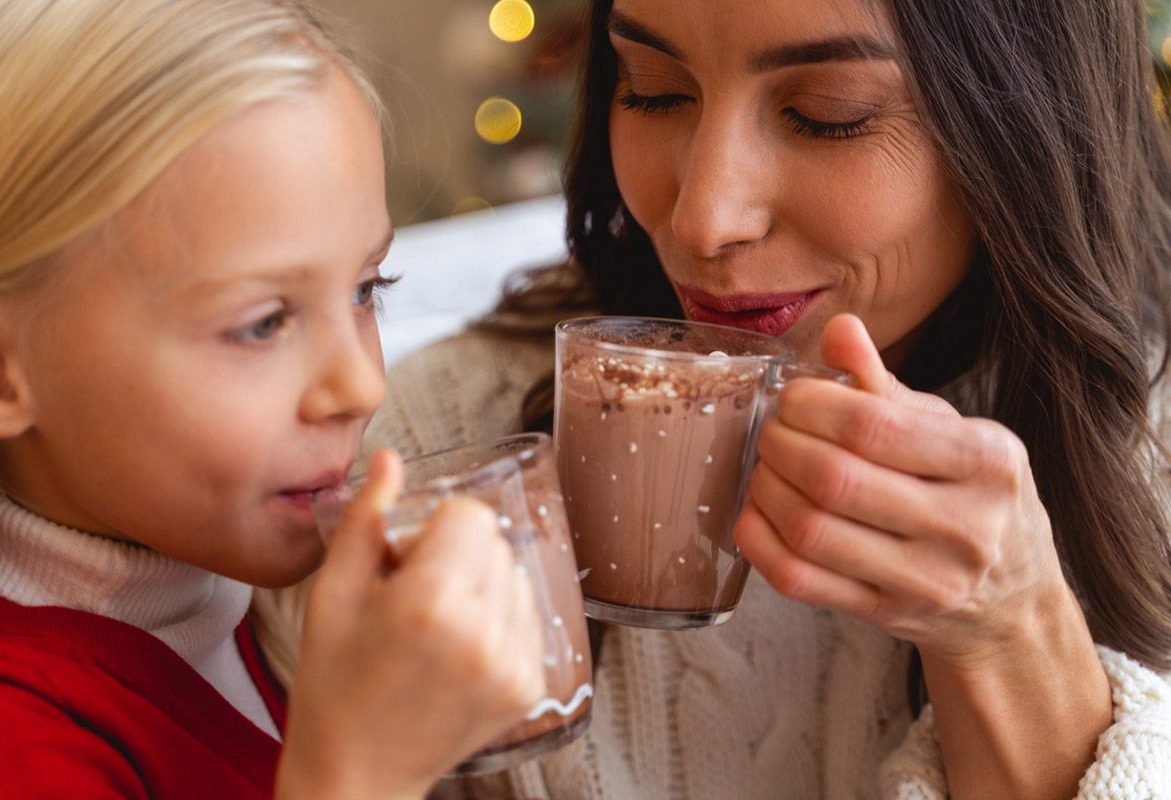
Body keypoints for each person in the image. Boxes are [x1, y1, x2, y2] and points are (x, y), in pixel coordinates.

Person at [363, 0, 1171, 797]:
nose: (704, 219)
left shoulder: (1154, 451)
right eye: (652, 89)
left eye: (828, 116)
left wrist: (1014, 634)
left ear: (1026, 123)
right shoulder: (428, 445)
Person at [0, 1, 547, 797]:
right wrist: (358, 773)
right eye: (263, 323)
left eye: (365, 288)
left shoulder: (220, 581)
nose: (361, 384)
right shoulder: (5, 747)